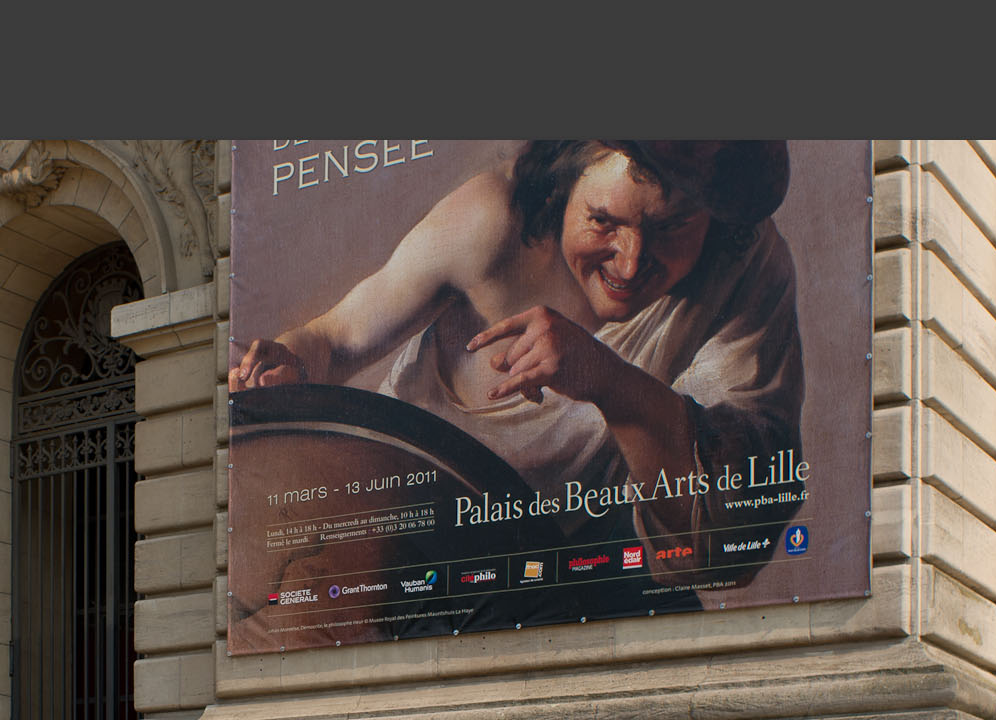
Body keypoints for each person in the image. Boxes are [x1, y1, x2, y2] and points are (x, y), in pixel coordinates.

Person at [230, 141, 803, 591]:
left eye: (671, 227)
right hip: (403, 550)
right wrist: (288, 362)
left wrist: (606, 379)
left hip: (560, 573)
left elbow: (733, 539)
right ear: (562, 188)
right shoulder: (491, 219)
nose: (629, 265)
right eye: (603, 222)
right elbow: (334, 337)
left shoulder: (744, 263)